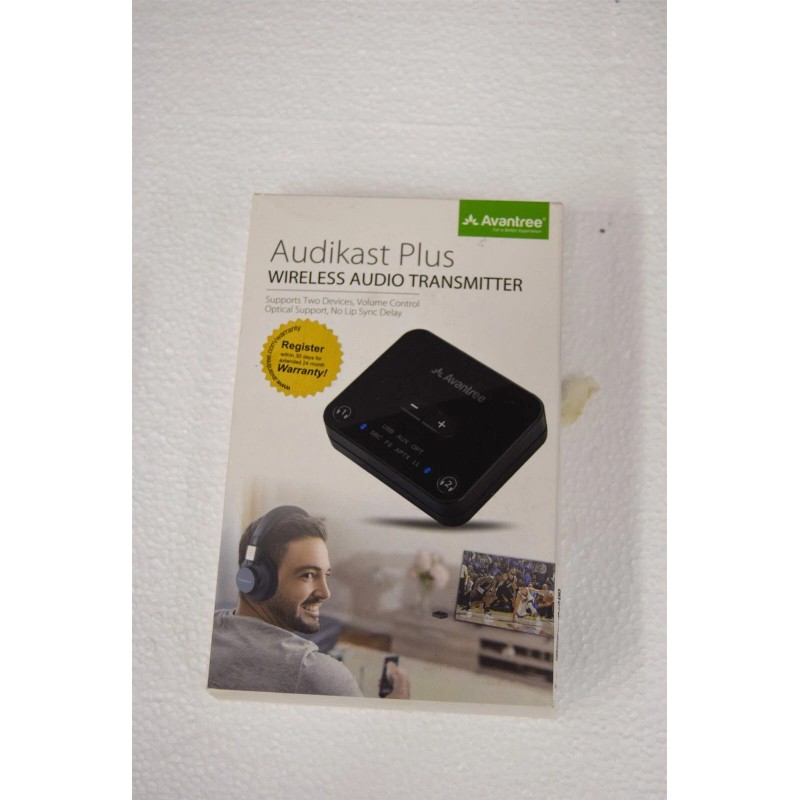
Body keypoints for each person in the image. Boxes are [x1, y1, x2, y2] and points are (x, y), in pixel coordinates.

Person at [208, 505, 410, 699]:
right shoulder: (317, 675)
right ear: (257, 579)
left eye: (325, 575)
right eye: (308, 575)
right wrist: (397, 706)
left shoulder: (206, 633)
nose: (325, 593)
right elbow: (368, 725)